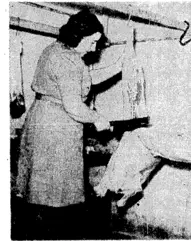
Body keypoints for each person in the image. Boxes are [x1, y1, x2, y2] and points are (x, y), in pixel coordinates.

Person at [14, 9, 121, 238]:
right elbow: (73, 105)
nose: (94, 48)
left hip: (42, 119)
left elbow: (86, 80)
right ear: (81, 36)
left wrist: (119, 67)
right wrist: (98, 118)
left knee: (39, 189)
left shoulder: (55, 50)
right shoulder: (68, 60)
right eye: (93, 41)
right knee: (56, 195)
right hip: (56, 128)